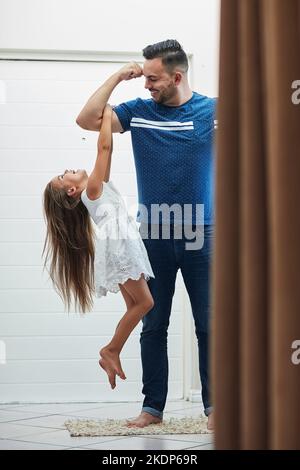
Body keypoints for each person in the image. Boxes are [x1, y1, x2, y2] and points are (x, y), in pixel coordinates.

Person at [76, 39, 217, 430]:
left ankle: (215, 408)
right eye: (144, 77)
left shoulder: (213, 111)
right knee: (154, 322)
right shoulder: (137, 112)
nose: (147, 85)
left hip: (203, 233)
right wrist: (120, 75)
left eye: (153, 79)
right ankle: (152, 408)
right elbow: (87, 120)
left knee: (210, 324)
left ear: (177, 76)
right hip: (151, 234)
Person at [42, 104, 155, 390]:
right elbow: (103, 148)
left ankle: (113, 351)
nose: (66, 170)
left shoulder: (96, 187)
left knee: (135, 304)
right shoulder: (91, 188)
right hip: (120, 246)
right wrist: (107, 112)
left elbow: (109, 152)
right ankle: (111, 350)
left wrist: (108, 124)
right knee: (145, 303)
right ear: (71, 189)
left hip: (117, 245)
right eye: (62, 175)